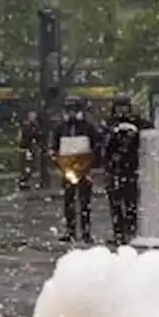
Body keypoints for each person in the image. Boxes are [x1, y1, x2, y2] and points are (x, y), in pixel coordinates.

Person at [51, 96, 102, 243]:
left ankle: (86, 232)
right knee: (69, 202)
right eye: (69, 110)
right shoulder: (61, 128)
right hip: (67, 171)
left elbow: (97, 146)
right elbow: (54, 148)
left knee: (84, 202)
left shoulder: (88, 127)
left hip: (84, 170)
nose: (72, 113)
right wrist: (59, 163)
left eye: (74, 110)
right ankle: (71, 231)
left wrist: (91, 165)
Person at [101, 95, 151, 245]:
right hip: (114, 168)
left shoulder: (135, 121)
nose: (121, 110)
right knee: (115, 204)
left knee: (131, 202)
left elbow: (148, 130)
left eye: (124, 107)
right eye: (118, 107)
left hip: (131, 167)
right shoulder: (110, 123)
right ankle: (118, 233)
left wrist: (133, 130)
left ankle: (130, 231)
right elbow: (102, 141)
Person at [17, 110, 44, 190]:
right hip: (26, 148)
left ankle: (26, 181)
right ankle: (24, 182)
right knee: (27, 166)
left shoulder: (34, 125)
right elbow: (29, 136)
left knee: (30, 166)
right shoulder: (28, 126)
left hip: (29, 148)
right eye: (32, 116)